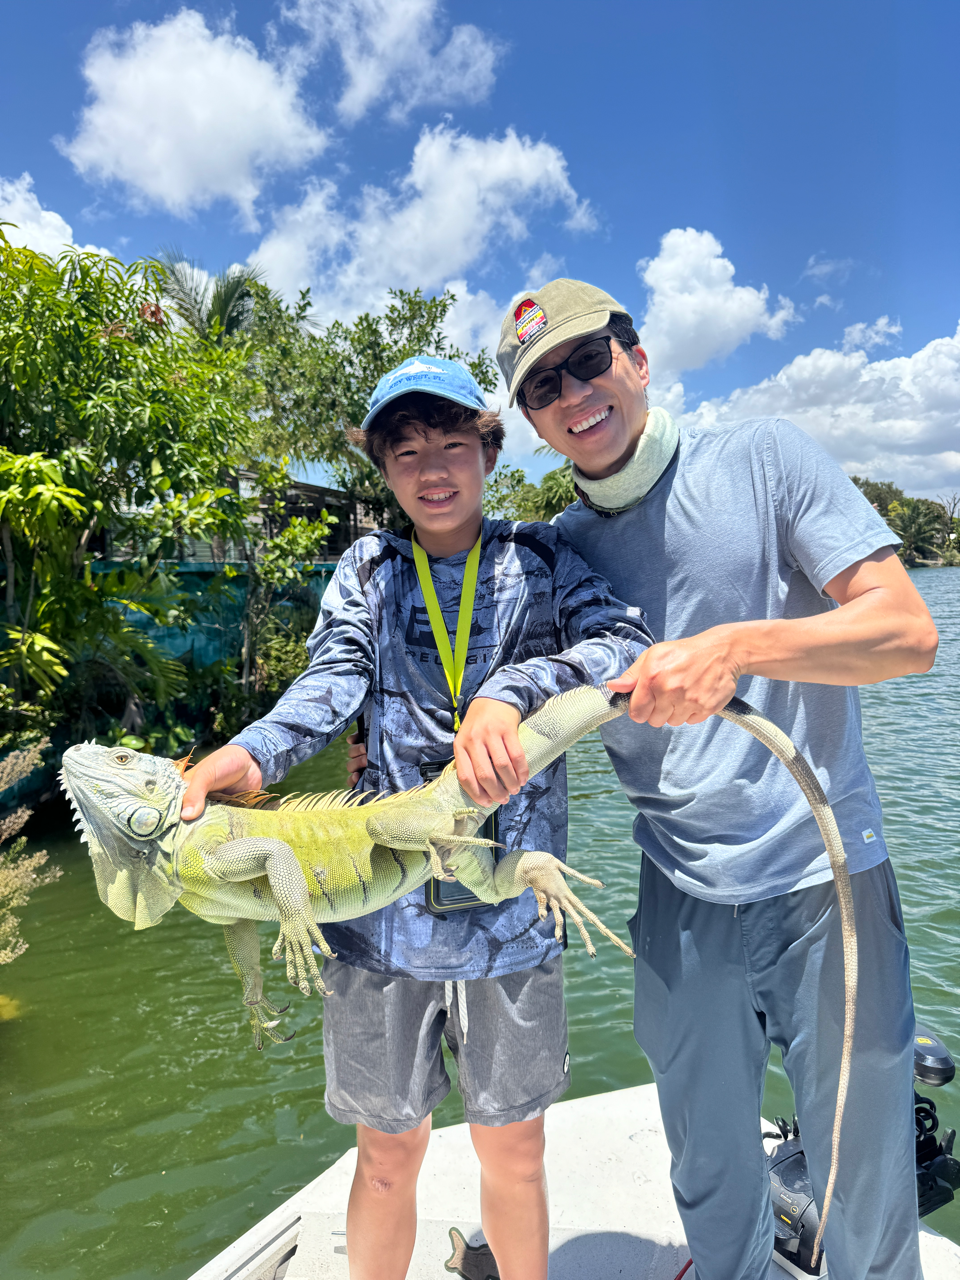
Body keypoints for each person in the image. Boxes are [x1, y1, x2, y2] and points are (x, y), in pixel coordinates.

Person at [437, 279, 936, 1280]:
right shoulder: (553, 552)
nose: (574, 392)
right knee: (709, 1173)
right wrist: (491, 705)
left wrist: (736, 647)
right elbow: (528, 671)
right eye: (543, 385)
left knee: (868, 1182)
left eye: (589, 360)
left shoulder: (766, 458)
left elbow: (907, 633)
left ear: (638, 357)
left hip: (823, 871)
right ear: (532, 421)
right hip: (676, 895)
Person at [180, 354, 652, 1280]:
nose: (432, 471)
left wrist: (514, 690)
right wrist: (254, 752)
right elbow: (333, 678)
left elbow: (625, 646)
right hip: (373, 922)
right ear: (384, 472)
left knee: (512, 1151)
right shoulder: (368, 568)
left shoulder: (543, 557)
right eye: (405, 454)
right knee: (387, 1158)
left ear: (488, 449)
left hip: (513, 916)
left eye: (450, 445)